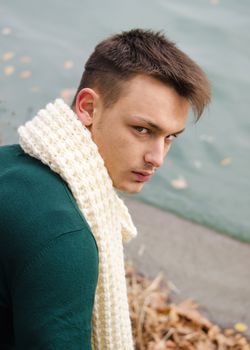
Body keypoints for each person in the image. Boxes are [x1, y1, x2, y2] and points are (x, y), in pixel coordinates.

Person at [0, 29, 211, 349]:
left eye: (170, 138)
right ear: (87, 107)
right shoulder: (66, 240)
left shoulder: (9, 160)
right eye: (142, 129)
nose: (157, 158)